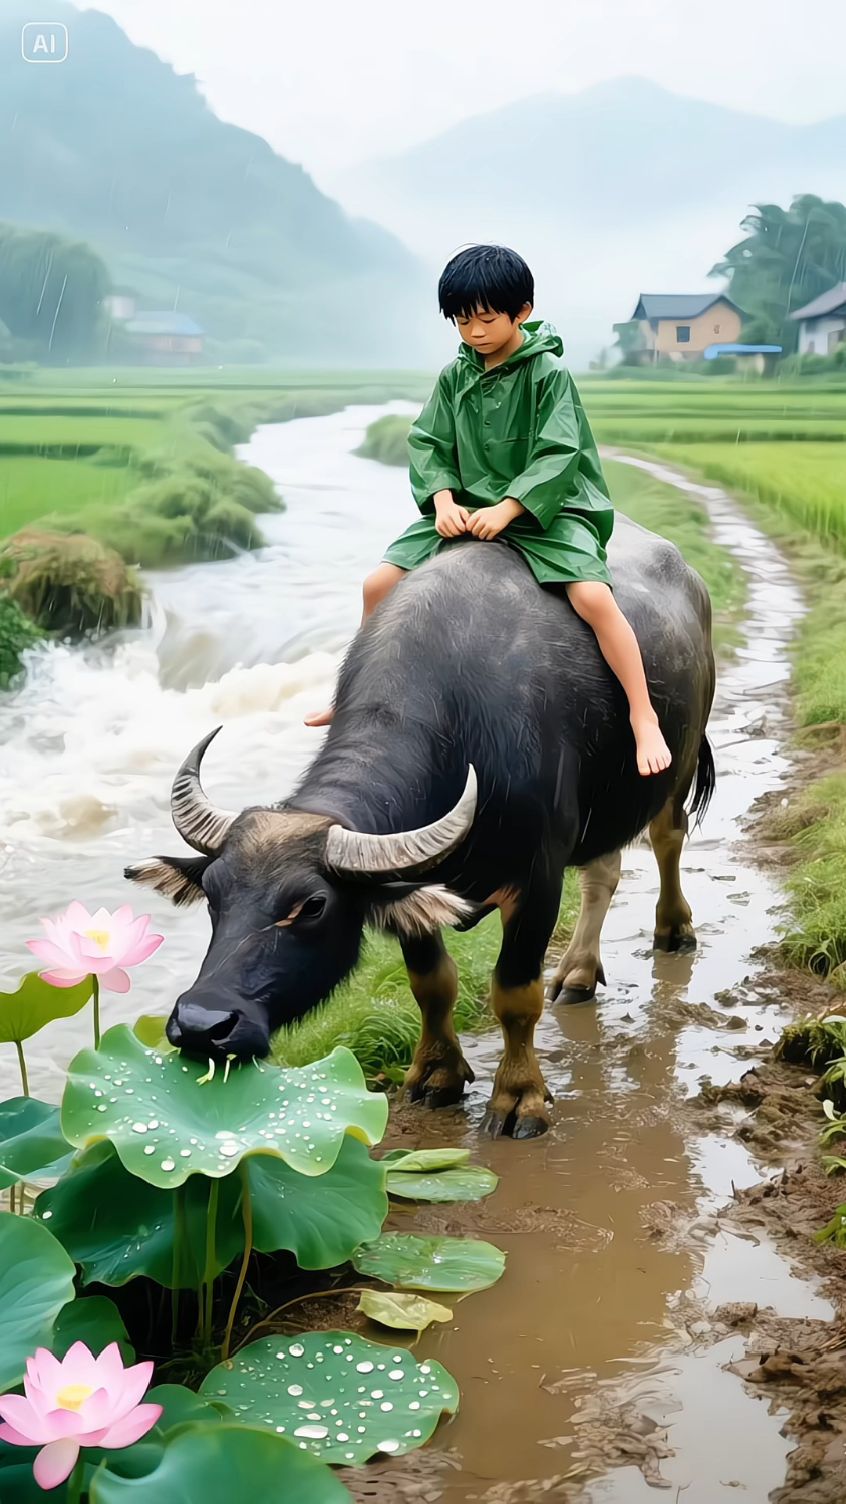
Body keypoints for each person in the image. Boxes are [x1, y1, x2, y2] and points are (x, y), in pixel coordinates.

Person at [306, 244, 671, 776]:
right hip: (469, 507)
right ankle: (352, 698)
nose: (474, 332)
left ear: (521, 312)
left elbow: (558, 452)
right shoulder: (455, 376)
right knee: (377, 584)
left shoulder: (547, 373)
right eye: (461, 321)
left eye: (486, 319)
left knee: (593, 597)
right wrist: (443, 500)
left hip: (548, 511)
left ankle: (642, 713)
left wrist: (509, 507)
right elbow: (429, 441)